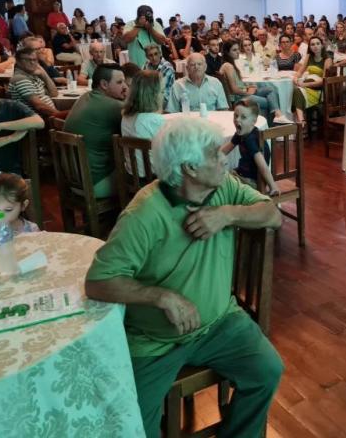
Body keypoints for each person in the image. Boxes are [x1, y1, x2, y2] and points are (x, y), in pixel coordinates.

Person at [84, 116, 283, 437]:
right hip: (155, 343)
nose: (224, 157)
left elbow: (272, 214)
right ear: (189, 168)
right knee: (133, 426)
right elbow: (97, 282)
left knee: (267, 371)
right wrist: (161, 296)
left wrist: (227, 214)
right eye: (214, 153)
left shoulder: (224, 187)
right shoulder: (144, 215)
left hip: (220, 322)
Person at [64, 63, 127, 197]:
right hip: (96, 184)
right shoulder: (114, 106)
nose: (125, 87)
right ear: (104, 84)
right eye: (120, 82)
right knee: (144, 176)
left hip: (73, 181)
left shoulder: (84, 97)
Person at [220, 41, 290, 124]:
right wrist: (247, 92)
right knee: (270, 102)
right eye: (234, 50)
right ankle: (271, 128)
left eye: (238, 49)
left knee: (271, 89)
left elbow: (238, 82)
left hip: (243, 93)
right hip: (239, 98)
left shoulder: (231, 64)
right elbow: (234, 89)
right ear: (227, 52)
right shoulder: (228, 66)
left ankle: (278, 115)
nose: (238, 52)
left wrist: (248, 87)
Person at [222, 98, 278, 196]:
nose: (237, 120)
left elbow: (262, 165)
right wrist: (211, 157)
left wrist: (273, 186)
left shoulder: (251, 139)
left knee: (220, 184)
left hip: (251, 182)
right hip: (242, 174)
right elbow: (226, 149)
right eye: (235, 115)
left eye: (243, 117)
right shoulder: (241, 133)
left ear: (254, 121)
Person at [121, 70, 166, 177]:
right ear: (152, 95)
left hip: (132, 174)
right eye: (162, 92)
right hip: (154, 177)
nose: (163, 96)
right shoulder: (155, 120)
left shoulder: (126, 117)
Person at [8, 47, 66, 119]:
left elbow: (54, 93)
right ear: (18, 62)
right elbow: (39, 106)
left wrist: (44, 74)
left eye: (35, 60)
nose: (32, 62)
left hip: (48, 117)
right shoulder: (20, 79)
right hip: (38, 121)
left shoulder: (33, 75)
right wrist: (60, 116)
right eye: (28, 60)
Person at [291, 37, 333, 127]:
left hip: (319, 90)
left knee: (297, 91)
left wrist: (305, 84)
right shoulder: (309, 56)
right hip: (308, 86)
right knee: (295, 90)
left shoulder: (327, 60)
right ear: (309, 47)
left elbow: (324, 81)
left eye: (318, 44)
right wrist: (295, 77)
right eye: (312, 44)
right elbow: (300, 71)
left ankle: (301, 122)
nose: (315, 46)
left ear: (322, 45)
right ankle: (301, 120)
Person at [143, 44, 175, 111]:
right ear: (147, 57)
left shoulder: (167, 68)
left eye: (156, 54)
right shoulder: (146, 66)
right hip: (149, 102)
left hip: (165, 106)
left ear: (160, 54)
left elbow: (165, 96)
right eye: (150, 55)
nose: (154, 58)